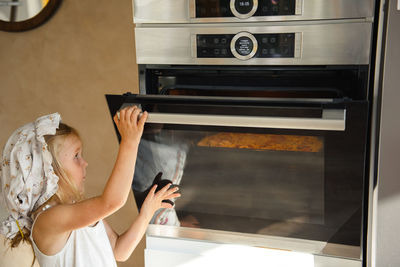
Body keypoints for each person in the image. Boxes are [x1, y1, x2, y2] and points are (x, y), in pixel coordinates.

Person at [0, 107, 180, 267]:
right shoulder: (48, 220)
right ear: (48, 171)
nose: (85, 163)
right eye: (76, 156)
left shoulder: (76, 210)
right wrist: (130, 141)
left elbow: (119, 251)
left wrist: (147, 213)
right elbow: (112, 202)